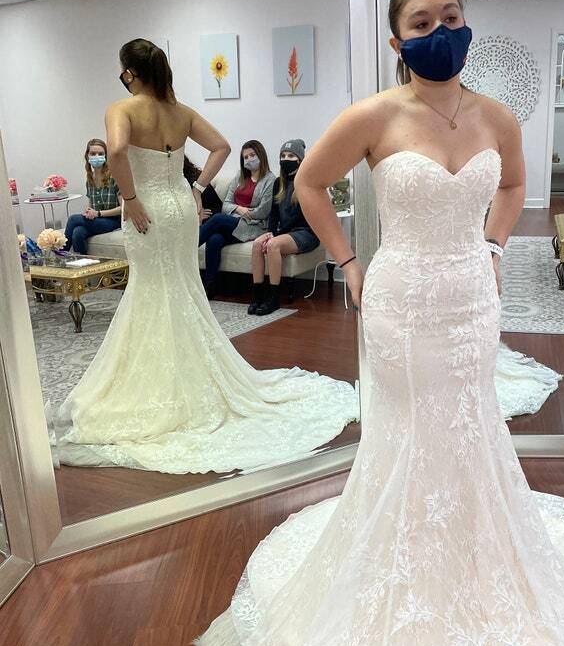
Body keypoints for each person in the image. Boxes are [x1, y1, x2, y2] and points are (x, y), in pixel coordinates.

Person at [223, 0, 564, 646]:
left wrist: (495, 245)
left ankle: (473, 559)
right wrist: (348, 262)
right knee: (409, 431)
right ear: (397, 40)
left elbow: (516, 183)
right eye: (422, 21)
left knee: (469, 423)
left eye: (452, 16)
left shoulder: (496, 116)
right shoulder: (374, 115)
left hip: (471, 297)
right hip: (401, 300)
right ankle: (398, 568)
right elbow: (310, 183)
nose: (441, 30)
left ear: (467, 23)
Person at [49, 39, 358, 474]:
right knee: (180, 285)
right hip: (179, 206)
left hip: (146, 208)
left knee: (151, 287)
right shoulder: (181, 112)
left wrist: (130, 198)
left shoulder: (122, 109)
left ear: (130, 73)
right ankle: (188, 374)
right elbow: (222, 146)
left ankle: (165, 382)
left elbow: (115, 150)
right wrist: (195, 189)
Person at [197, 141, 276, 299]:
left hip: (254, 226)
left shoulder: (270, 180)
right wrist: (239, 209)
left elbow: (263, 211)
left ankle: (186, 247)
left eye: (252, 155)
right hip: (234, 222)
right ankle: (210, 287)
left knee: (218, 219)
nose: (249, 159)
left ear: (261, 155)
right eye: (245, 157)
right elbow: (226, 204)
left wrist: (241, 212)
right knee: (214, 239)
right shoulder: (240, 177)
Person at [249, 139, 319, 315]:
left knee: (273, 245)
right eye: (283, 156)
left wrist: (278, 237)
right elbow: (274, 214)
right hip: (286, 233)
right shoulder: (278, 183)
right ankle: (257, 296)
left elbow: (307, 218)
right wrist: (271, 233)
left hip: (306, 233)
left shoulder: (307, 182)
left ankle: (274, 298)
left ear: (300, 160)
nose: (286, 159)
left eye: (291, 156)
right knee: (257, 244)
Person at [64, 139, 122, 253]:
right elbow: (91, 206)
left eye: (100, 154)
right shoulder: (90, 179)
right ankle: (84, 263)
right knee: (77, 233)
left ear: (106, 156)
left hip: (114, 221)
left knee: (73, 219)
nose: (97, 156)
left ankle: (60, 254)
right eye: (93, 153)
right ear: (87, 156)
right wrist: (88, 212)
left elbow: (124, 208)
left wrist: (98, 213)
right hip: (98, 220)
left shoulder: (114, 176)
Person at [184, 155, 223, 220]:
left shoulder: (194, 181)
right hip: (199, 215)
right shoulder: (195, 176)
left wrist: (198, 216)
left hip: (211, 215)